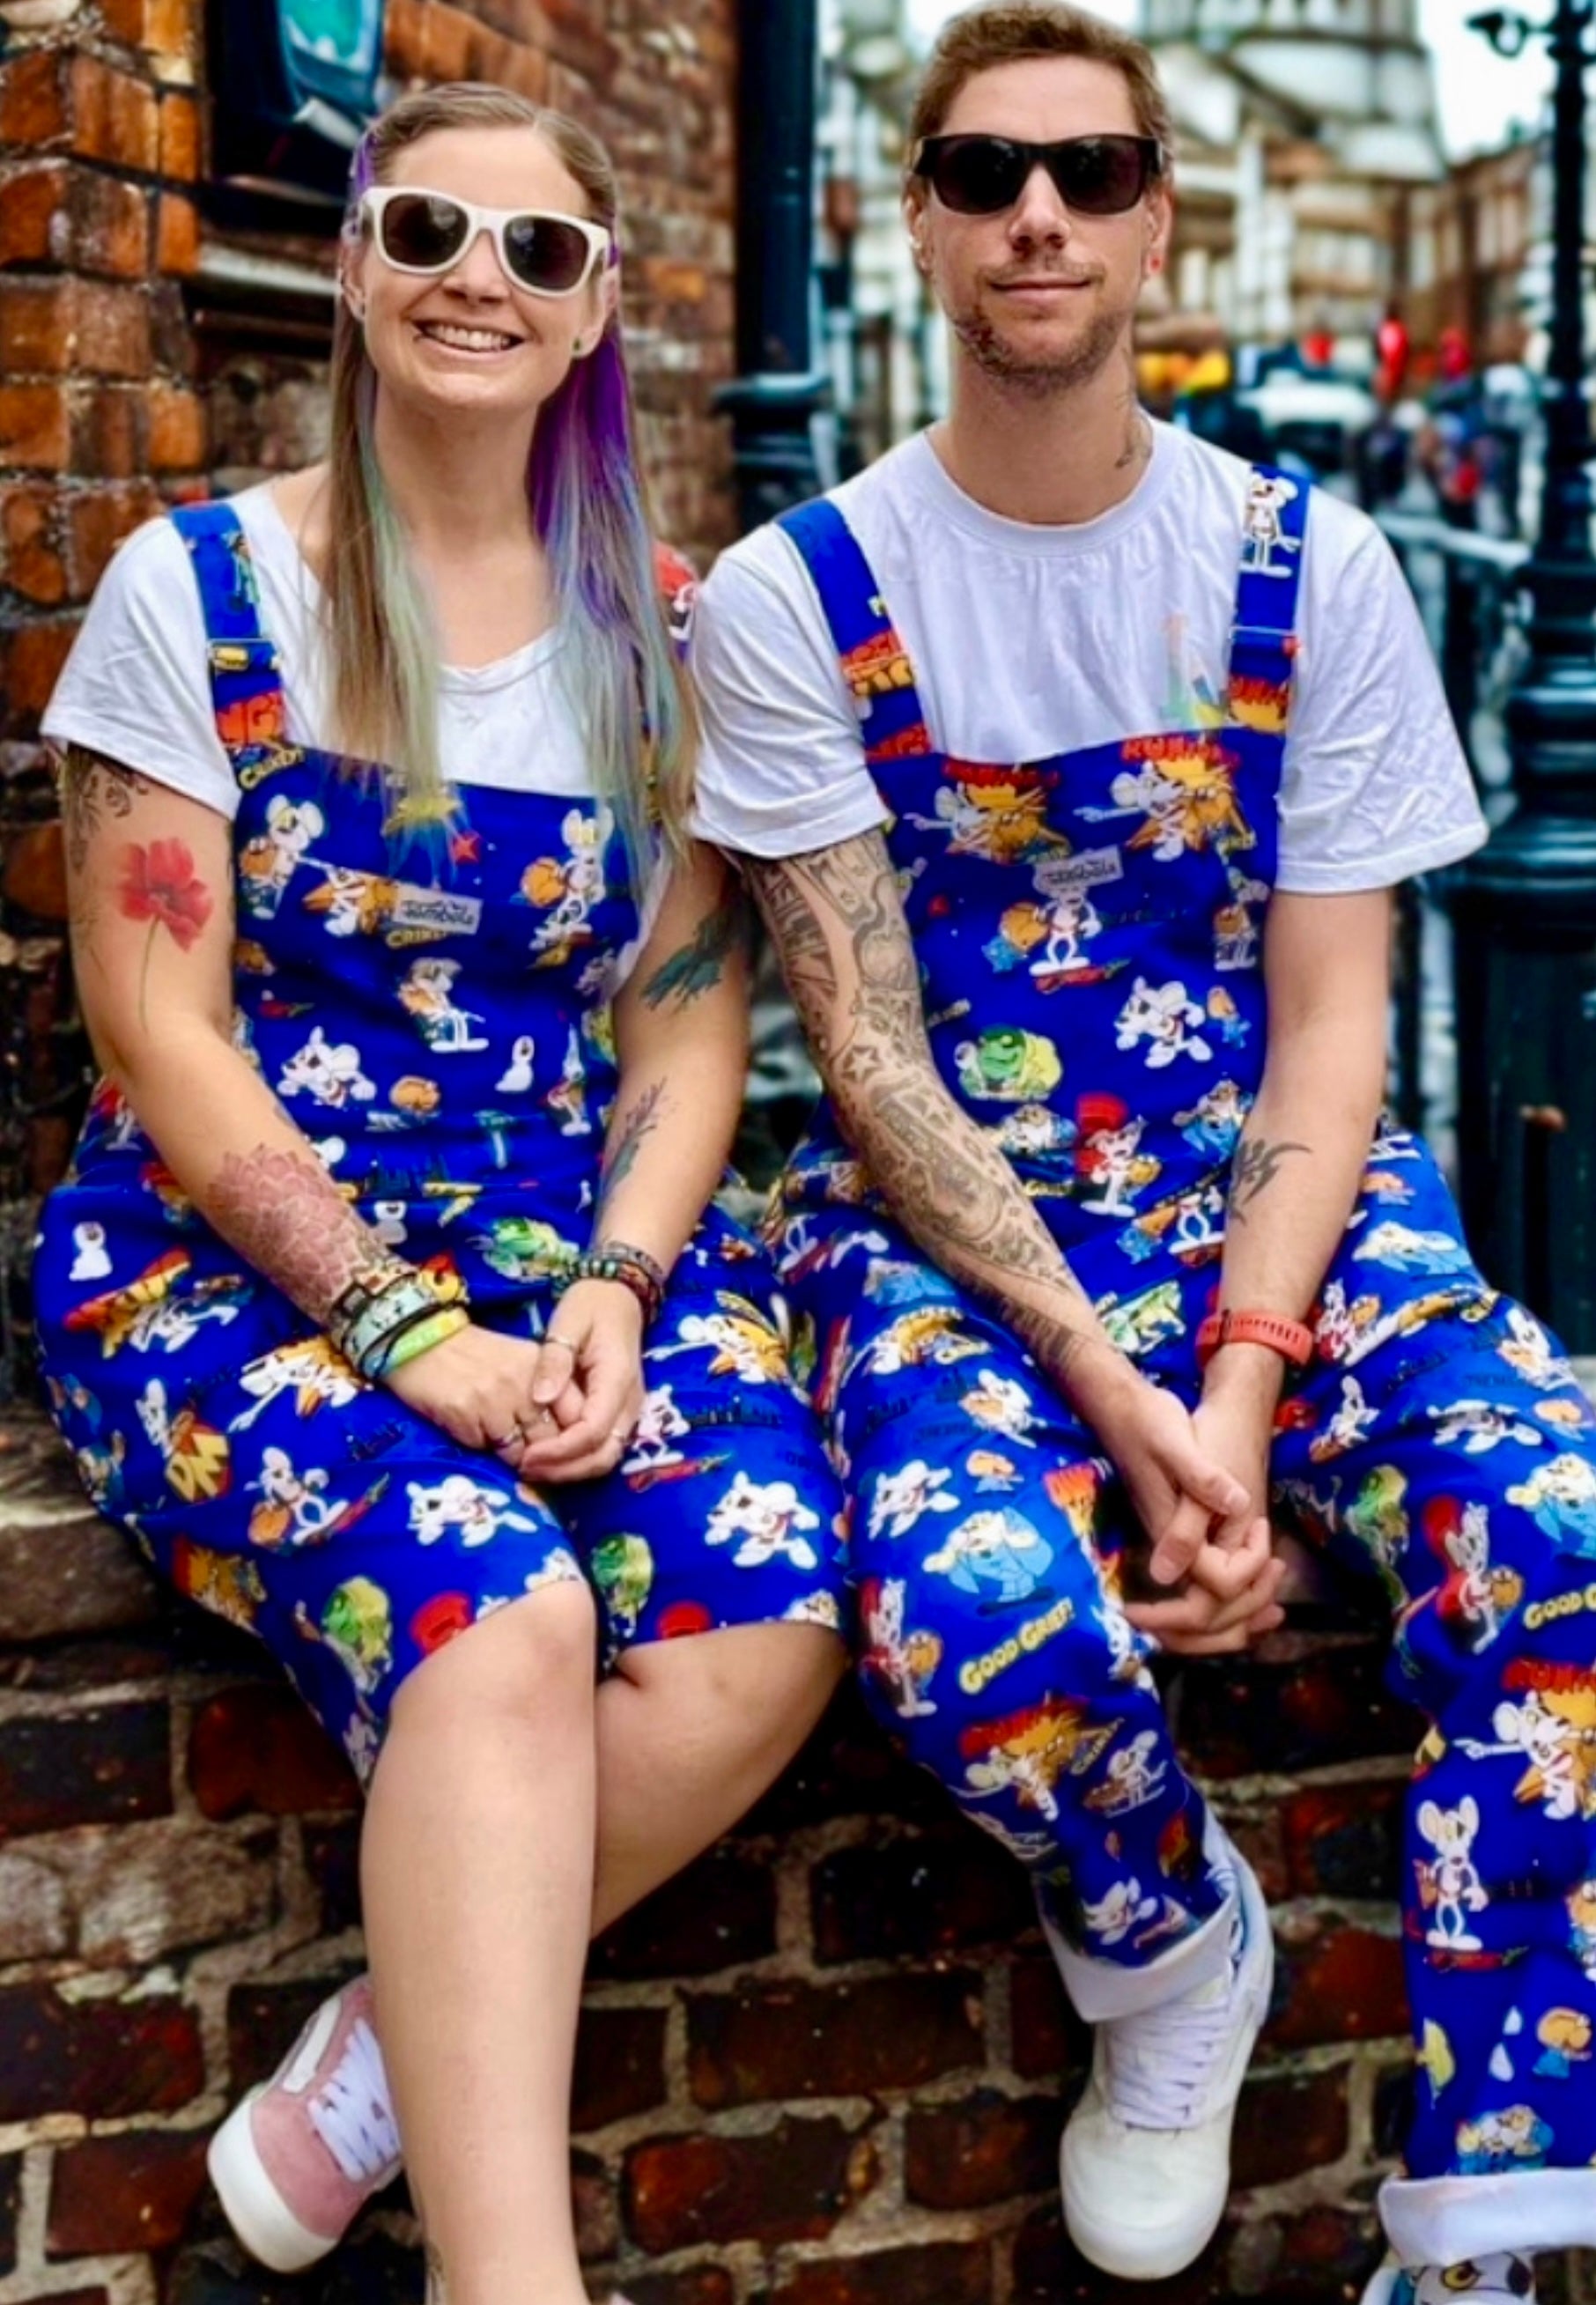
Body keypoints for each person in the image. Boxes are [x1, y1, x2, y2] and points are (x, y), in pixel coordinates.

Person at [689, 9, 1596, 2303]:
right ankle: (1165, 1935)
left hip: (1261, 1186)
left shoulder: (1311, 567)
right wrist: (1127, 1403)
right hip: (954, 1222)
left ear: (1155, 219)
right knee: (981, 1608)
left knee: (1560, 1533)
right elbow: (871, 1063)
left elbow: (1326, 1027)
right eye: (985, 172)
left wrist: (1245, 1385)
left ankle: (1491, 2214)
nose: (1035, 219)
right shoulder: (803, 592)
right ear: (912, 211)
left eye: (1089, 174)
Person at [32, 84, 846, 2305]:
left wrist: (614, 1280)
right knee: (506, 1609)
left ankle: (392, 2042)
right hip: (225, 1251)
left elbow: (687, 1023)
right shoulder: (198, 593)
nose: (479, 275)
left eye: (539, 251)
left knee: (769, 1599)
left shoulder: (656, 637)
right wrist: (411, 1336)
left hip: (550, 1235)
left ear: (595, 317)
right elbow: (162, 1034)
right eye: (427, 229)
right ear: (355, 271)